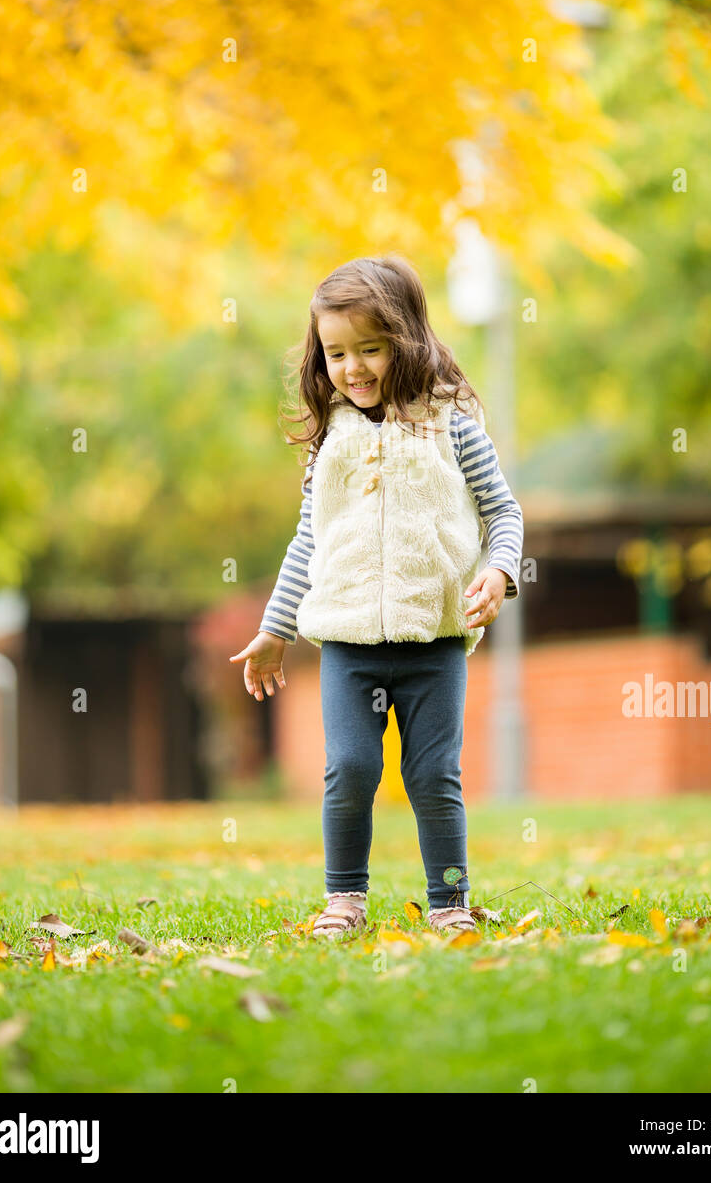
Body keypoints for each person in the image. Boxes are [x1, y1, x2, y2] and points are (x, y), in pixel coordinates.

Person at [231, 255, 523, 938]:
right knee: (351, 768)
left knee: (432, 774)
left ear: (407, 342)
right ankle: (345, 899)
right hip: (350, 644)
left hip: (436, 641)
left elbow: (503, 512)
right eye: (336, 353)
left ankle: (449, 904)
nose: (353, 368)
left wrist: (499, 573)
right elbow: (310, 539)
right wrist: (276, 630)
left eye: (370, 349)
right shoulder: (330, 437)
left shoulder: (451, 424)